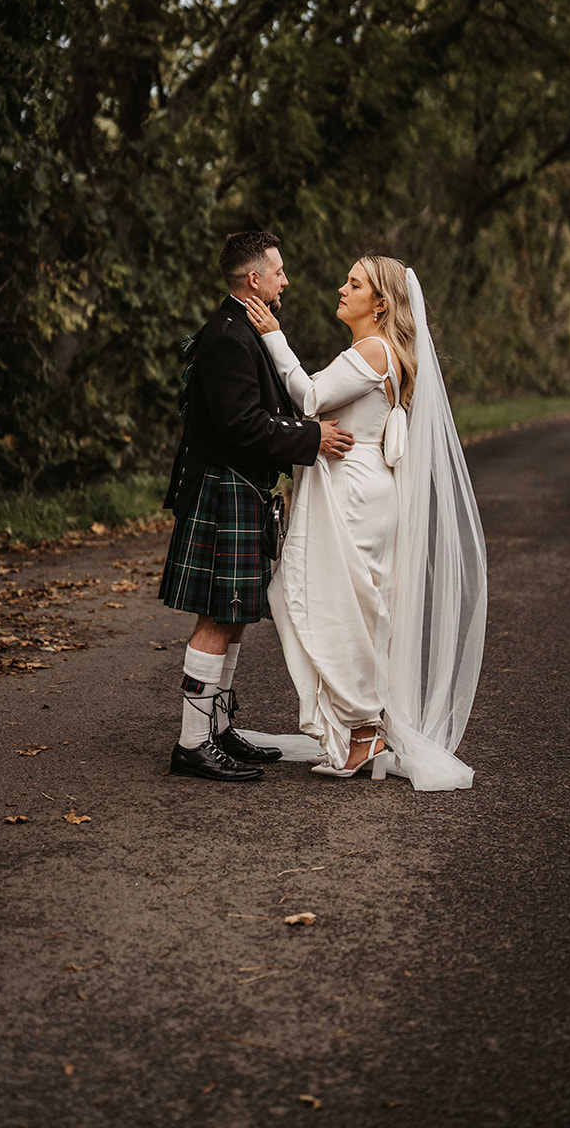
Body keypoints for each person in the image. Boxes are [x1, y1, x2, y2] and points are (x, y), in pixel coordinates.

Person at [244, 256, 486, 790]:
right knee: (351, 607)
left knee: (333, 604)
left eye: (354, 284)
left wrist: (274, 336)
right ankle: (361, 727)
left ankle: (364, 728)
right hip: (365, 488)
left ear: (380, 304)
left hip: (354, 492)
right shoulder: (378, 351)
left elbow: (310, 396)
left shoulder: (374, 350)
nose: (342, 288)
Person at [158, 230, 355, 782]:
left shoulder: (246, 327)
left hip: (240, 487)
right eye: (278, 271)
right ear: (254, 279)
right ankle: (193, 743)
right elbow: (241, 424)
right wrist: (312, 438)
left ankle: (217, 730)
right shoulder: (228, 335)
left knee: (236, 614)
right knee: (218, 616)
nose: (285, 280)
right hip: (225, 486)